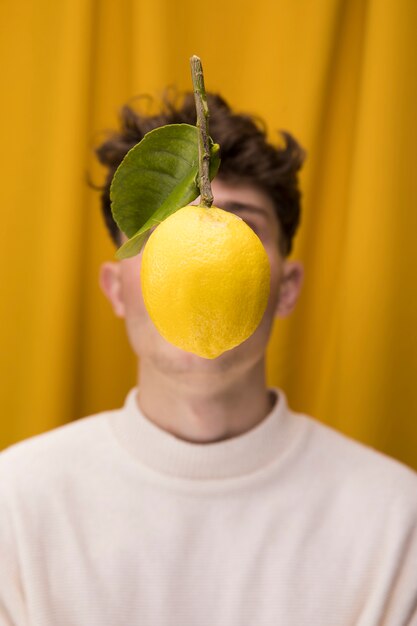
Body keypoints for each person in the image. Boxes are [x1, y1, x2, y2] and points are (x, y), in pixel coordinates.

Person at [1, 92, 416, 626]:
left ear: (285, 288)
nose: (198, 271)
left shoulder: (393, 520)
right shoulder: (16, 504)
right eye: (162, 233)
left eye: (239, 226)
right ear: (117, 289)